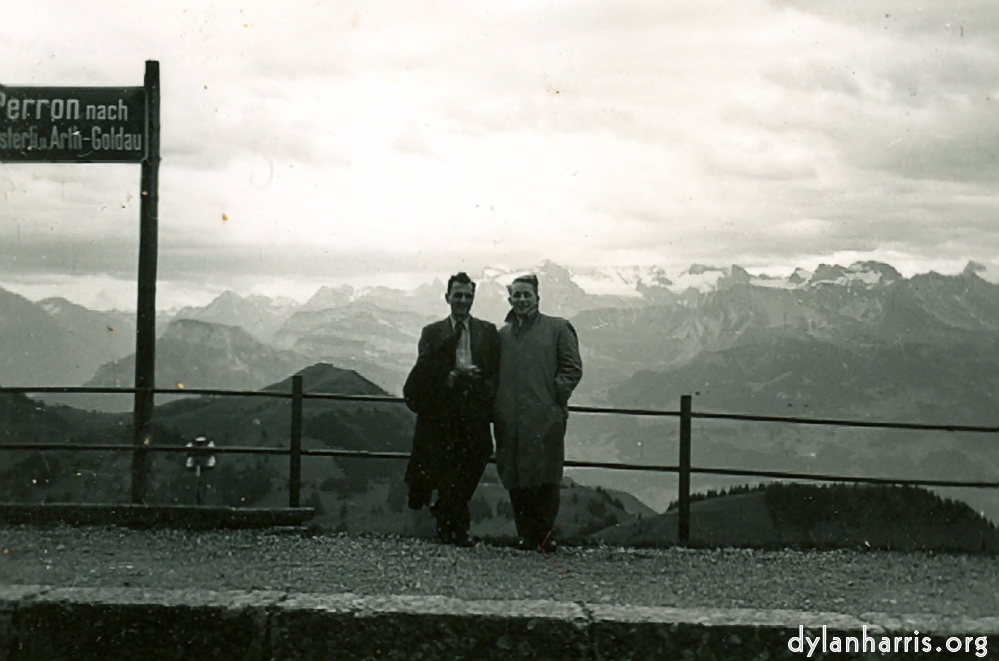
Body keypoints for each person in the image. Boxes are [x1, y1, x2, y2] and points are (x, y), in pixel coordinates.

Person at [403, 272, 500, 547]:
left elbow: (495, 372)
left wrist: (480, 382)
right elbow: (424, 372)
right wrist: (450, 377)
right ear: (447, 298)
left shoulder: (487, 331)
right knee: (448, 467)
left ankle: (445, 512)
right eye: (458, 295)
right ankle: (455, 529)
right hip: (443, 412)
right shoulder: (432, 332)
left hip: (474, 408)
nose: (463, 300)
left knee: (479, 455)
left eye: (468, 296)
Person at [494, 274, 582, 553]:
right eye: (516, 295)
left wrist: (554, 398)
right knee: (516, 476)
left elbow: (572, 369)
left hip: (545, 418)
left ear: (537, 298)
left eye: (526, 295)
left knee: (546, 476)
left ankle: (544, 535)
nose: (521, 300)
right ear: (509, 299)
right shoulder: (503, 335)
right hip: (511, 419)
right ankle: (525, 535)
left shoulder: (557, 328)